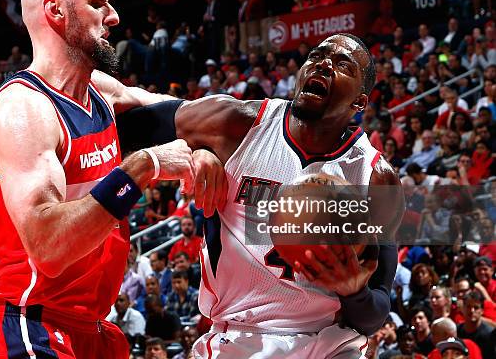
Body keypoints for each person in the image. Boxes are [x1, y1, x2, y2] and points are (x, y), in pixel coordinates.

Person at [0, 0, 212, 359]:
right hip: (34, 327)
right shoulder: (23, 109)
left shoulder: (100, 90)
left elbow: (187, 114)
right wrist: (142, 167)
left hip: (94, 328)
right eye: (97, 4)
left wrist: (217, 142)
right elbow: (47, 247)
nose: (113, 16)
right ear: (56, 11)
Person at [116, 33, 404, 357]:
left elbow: (373, 315)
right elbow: (127, 126)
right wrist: (189, 151)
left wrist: (355, 293)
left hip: (329, 343)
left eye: (342, 64)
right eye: (317, 55)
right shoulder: (236, 124)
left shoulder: (376, 179)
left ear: (359, 102)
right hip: (238, 336)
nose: (323, 64)